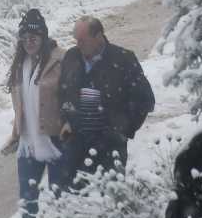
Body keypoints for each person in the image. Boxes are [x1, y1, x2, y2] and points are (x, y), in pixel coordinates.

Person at [58, 15, 155, 183]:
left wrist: (121, 130)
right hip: (76, 143)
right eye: (76, 40)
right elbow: (63, 92)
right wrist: (66, 120)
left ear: (98, 36)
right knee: (74, 201)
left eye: (83, 40)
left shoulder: (123, 59)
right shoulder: (71, 57)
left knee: (110, 199)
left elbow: (144, 100)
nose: (78, 45)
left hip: (110, 146)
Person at [2, 8, 69, 218]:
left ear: (43, 37)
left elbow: (72, 96)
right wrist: (15, 133)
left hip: (56, 139)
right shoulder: (20, 65)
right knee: (27, 199)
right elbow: (20, 106)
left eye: (33, 37)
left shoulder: (61, 60)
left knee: (62, 196)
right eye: (24, 38)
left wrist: (70, 123)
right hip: (28, 143)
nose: (28, 42)